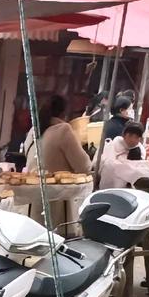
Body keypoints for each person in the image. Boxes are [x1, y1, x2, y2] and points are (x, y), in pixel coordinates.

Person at [24, 96, 92, 231]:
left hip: (32, 199)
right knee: (55, 241)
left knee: (35, 238)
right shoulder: (63, 130)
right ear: (63, 113)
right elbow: (84, 166)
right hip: (56, 200)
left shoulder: (33, 131)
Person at [98, 121, 146, 190]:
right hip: (111, 183)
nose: (133, 140)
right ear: (124, 135)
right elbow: (106, 163)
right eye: (130, 136)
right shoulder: (114, 145)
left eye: (136, 137)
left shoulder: (140, 150)